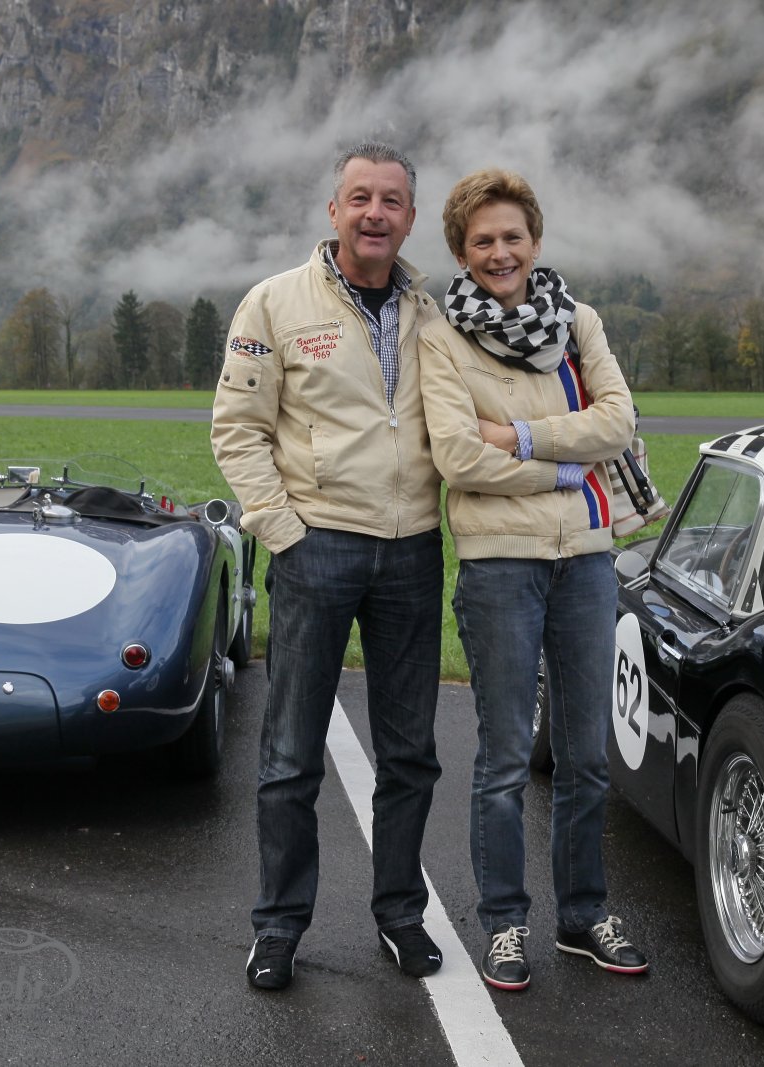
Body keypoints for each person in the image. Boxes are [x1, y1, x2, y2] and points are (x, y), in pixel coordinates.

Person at [210, 142, 446, 992]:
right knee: (290, 754)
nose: (375, 213)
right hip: (317, 547)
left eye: (392, 200)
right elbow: (236, 428)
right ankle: (278, 926)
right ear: (334, 211)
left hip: (414, 548)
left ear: (410, 219)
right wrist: (286, 533)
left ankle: (400, 914)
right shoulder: (274, 302)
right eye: (360, 197)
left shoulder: (434, 311)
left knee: (410, 752)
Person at [419, 168, 647, 990]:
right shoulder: (442, 335)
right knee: (507, 757)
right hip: (499, 566)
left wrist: (515, 434)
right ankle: (505, 923)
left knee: (587, 755)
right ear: (461, 252)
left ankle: (583, 915)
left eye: (512, 236)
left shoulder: (578, 321)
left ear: (535, 241)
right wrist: (561, 468)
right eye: (482, 240)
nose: (500, 252)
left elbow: (617, 421)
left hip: (585, 559)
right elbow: (457, 456)